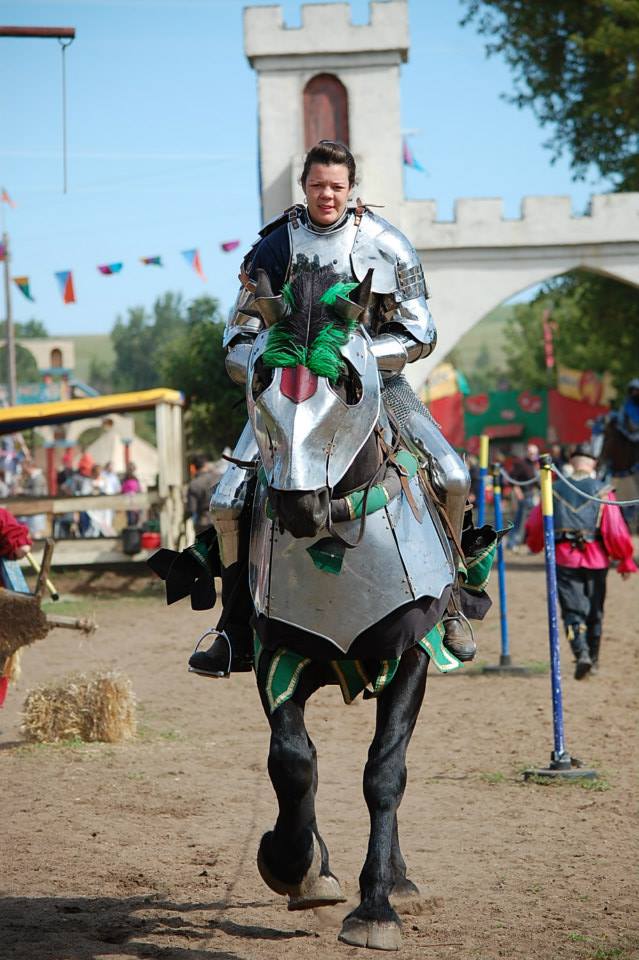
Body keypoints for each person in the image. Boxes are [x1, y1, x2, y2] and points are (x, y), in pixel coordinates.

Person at [188, 139, 472, 679]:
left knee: (452, 474)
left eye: (336, 187)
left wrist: (361, 358)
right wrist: (265, 362)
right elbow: (236, 335)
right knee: (227, 499)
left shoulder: (387, 244)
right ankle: (233, 624)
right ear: (305, 186)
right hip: (287, 393)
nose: (327, 195)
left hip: (376, 388)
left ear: (351, 189)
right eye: (318, 185)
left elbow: (420, 330)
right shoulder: (272, 249)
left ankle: (451, 600)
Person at [525, 443, 637, 679]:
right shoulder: (603, 490)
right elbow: (615, 531)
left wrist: (535, 545)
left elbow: (535, 524)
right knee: (595, 610)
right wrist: (625, 559)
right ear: (593, 464)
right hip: (596, 559)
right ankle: (593, 660)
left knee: (572, 611)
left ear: (571, 462)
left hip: (564, 557)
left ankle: (582, 653)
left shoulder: (552, 488)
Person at [506, 443, 540, 551]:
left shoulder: (535, 464)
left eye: (534, 453)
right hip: (524, 496)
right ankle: (512, 544)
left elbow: (536, 482)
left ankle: (526, 543)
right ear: (527, 452)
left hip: (532, 495)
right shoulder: (521, 463)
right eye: (531, 452)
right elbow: (512, 479)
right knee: (519, 521)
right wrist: (518, 492)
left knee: (531, 521)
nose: (532, 455)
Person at [186, 454, 222, 536]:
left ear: (194, 467)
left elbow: (192, 509)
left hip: (203, 524)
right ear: (206, 464)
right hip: (220, 520)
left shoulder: (194, 484)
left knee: (205, 548)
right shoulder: (219, 477)